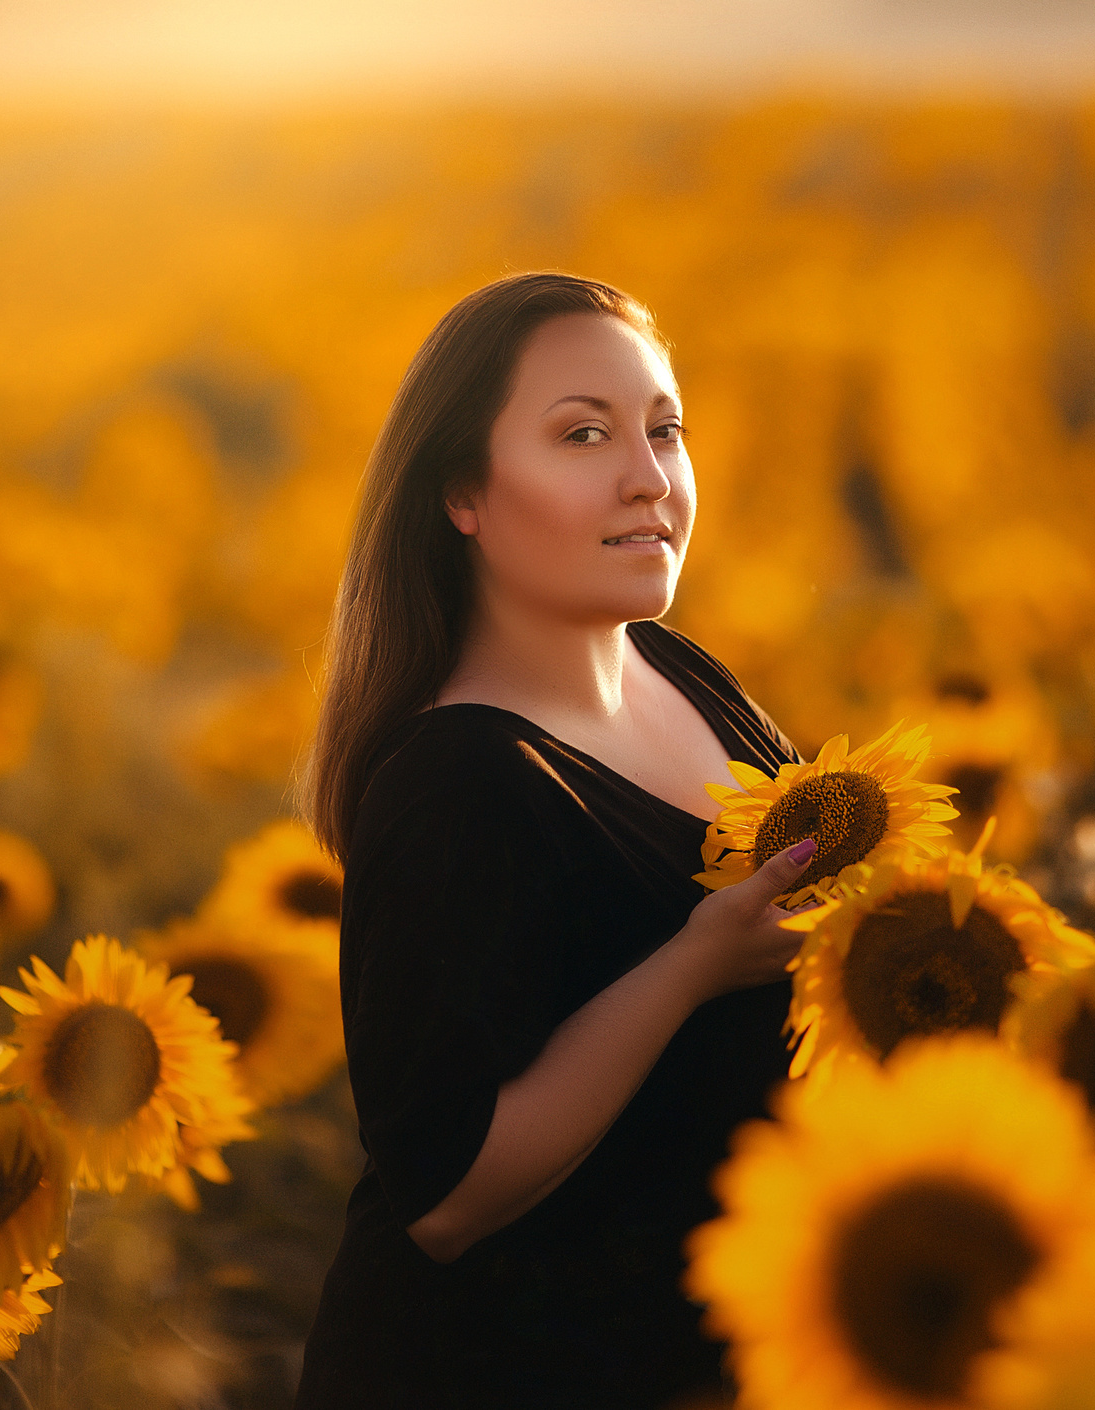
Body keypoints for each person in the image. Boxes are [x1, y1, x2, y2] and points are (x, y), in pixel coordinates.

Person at [295, 272, 818, 1410]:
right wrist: (691, 967)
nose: (650, 476)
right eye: (584, 434)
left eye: (664, 429)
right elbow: (445, 1197)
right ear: (463, 493)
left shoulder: (683, 677)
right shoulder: (458, 782)